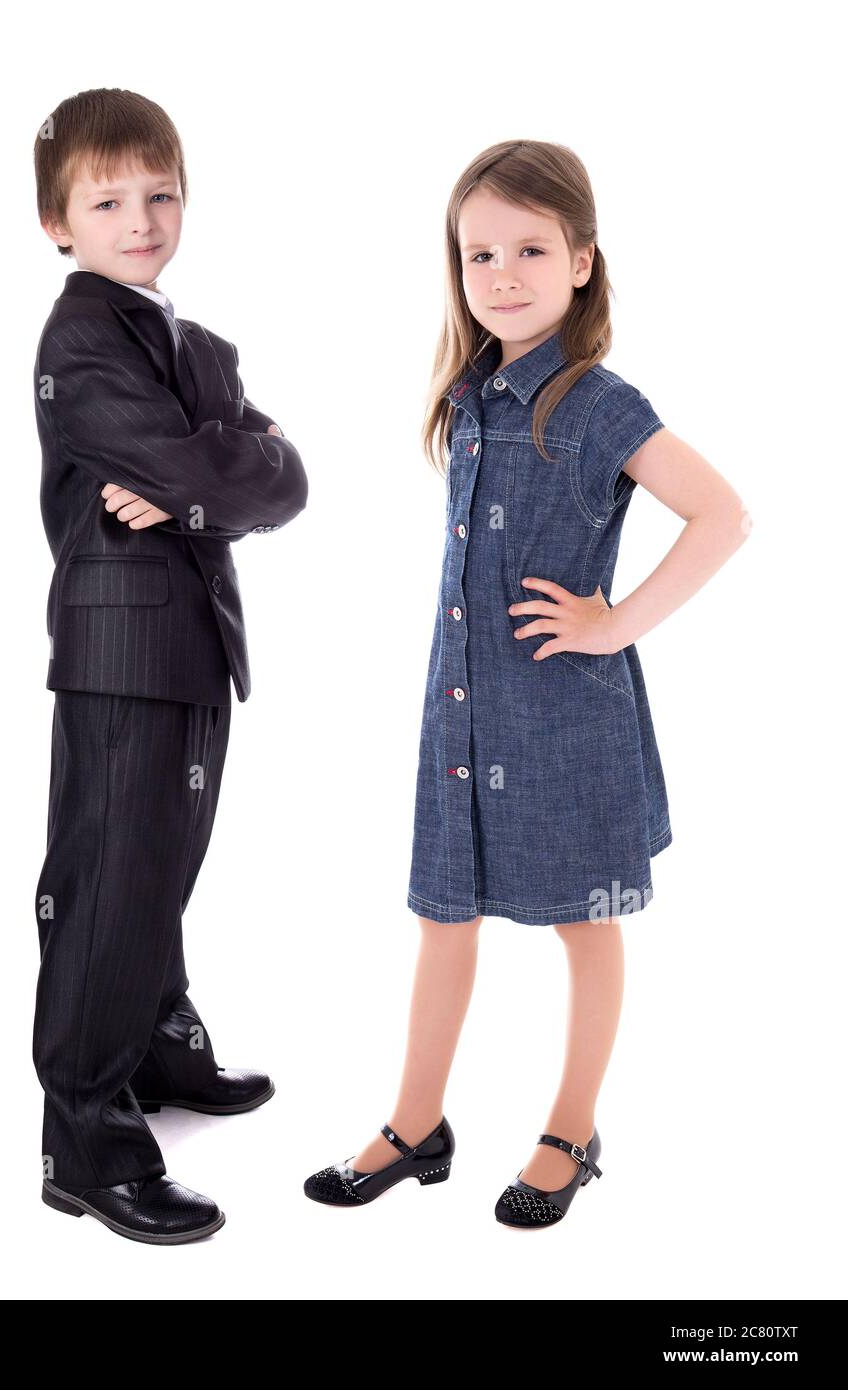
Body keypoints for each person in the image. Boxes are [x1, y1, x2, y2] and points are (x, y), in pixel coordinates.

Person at [303, 139, 750, 1226]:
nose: (502, 273)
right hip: (460, 709)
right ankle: (416, 1123)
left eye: (530, 248)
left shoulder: (599, 403)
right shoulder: (471, 397)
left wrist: (612, 623)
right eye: (478, 254)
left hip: (562, 716)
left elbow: (723, 515)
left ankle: (571, 1127)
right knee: (442, 920)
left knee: (584, 925)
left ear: (583, 261)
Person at [31, 87, 308, 1244]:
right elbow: (196, 461)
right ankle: (84, 1133)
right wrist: (215, 469)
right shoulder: (82, 337)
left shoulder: (198, 345)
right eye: (107, 200)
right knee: (106, 881)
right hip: (121, 645)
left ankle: (154, 1044)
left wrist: (205, 477)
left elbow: (285, 477)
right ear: (59, 222)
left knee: (162, 864)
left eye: (159, 194)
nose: (139, 218)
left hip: (194, 642)